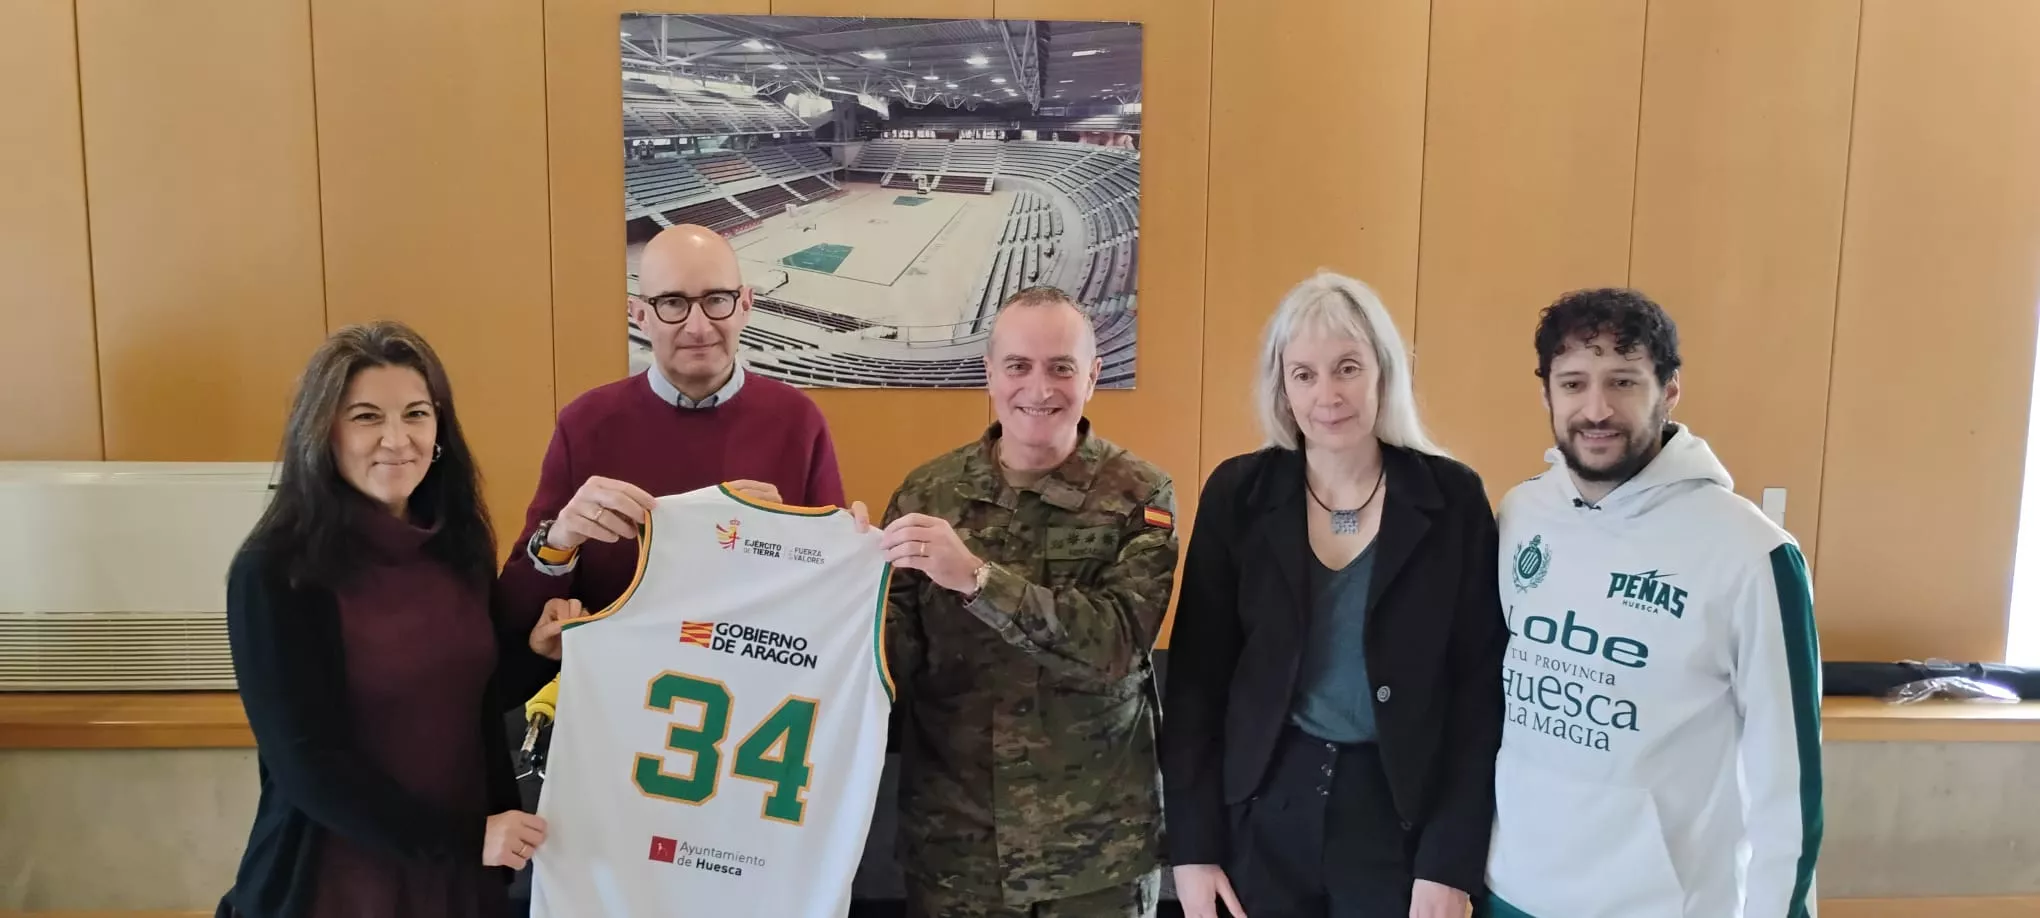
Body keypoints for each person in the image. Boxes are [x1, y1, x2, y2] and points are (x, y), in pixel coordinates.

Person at [1160, 272, 1510, 918]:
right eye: (1305, 374)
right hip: (1262, 813)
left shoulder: (1452, 499)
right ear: (1282, 388)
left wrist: (1448, 863)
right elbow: (1196, 685)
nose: (1329, 394)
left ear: (1382, 372)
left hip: (1399, 822)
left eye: (1347, 368)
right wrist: (1193, 848)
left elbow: (1479, 693)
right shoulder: (1238, 495)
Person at [1478, 288, 1822, 918]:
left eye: (1624, 382)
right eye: (1574, 382)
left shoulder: (1751, 553)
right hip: (1512, 891)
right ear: (1546, 394)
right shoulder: (1521, 515)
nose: (1597, 408)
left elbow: (1786, 780)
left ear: (1669, 390)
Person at [218, 322, 557, 918]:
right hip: (340, 879)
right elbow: (307, 765)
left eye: (416, 415)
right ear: (323, 431)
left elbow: (465, 694)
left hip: (458, 877)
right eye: (367, 417)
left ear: (440, 429)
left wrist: (536, 650)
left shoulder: (458, 544)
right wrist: (466, 838)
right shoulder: (274, 570)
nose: (396, 440)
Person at [876, 286, 1179, 918]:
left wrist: (980, 578)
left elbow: (1117, 644)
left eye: (1061, 368)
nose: (1038, 389)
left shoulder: (1139, 494)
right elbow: (888, 658)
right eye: (1018, 366)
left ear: (1092, 377)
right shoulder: (926, 493)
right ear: (989, 374)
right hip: (956, 853)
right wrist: (833, 573)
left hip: (1094, 857)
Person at [507, 223, 846, 648]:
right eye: (672, 303)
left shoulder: (799, 421)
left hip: (751, 694)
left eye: (716, 300)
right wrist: (558, 542)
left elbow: (832, 588)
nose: (698, 327)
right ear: (640, 314)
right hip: (620, 692)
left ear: (745, 305)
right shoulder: (584, 423)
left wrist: (833, 546)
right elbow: (518, 610)